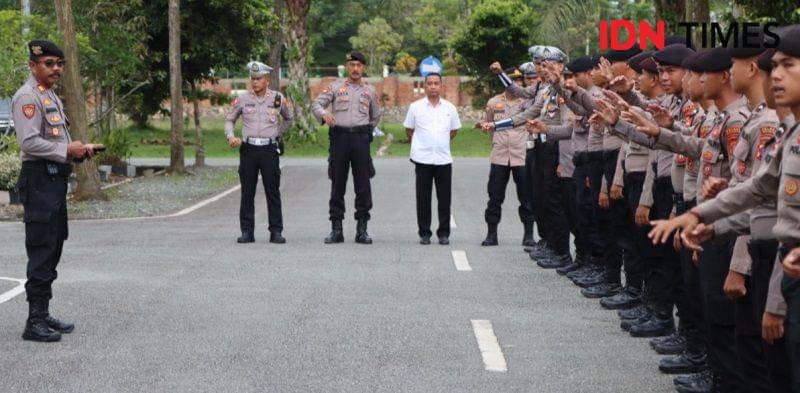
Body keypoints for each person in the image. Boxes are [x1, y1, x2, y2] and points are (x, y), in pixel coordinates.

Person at [13, 40, 100, 342]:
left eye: (60, 63)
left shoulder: (48, 95)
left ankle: (43, 311)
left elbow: (55, 141)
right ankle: (34, 321)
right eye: (49, 63)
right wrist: (66, 150)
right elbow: (29, 142)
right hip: (39, 180)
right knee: (41, 248)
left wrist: (79, 151)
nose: (56, 69)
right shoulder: (27, 97)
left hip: (54, 181)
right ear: (32, 65)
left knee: (54, 245)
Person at [311, 51, 381, 244]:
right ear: (347, 67)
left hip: (360, 139)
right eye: (352, 65)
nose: (355, 69)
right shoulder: (335, 87)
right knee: (337, 184)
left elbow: (375, 116)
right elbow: (316, 104)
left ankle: (362, 230)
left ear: (363, 67)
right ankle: (336, 229)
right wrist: (324, 114)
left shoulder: (370, 90)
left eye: (359, 65)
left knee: (363, 185)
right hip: (339, 138)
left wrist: (364, 130)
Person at [225, 61, 294, 244]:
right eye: (253, 78)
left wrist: (278, 134)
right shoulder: (243, 98)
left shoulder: (277, 98)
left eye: (258, 78)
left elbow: (289, 118)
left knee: (273, 191)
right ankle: (247, 231)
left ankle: (276, 231)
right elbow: (230, 119)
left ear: (267, 80)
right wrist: (230, 136)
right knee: (247, 192)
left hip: (269, 150)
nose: (255, 82)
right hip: (248, 149)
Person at [403, 72, 461, 245]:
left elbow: (454, 131)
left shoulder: (450, 108)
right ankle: (424, 233)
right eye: (430, 83)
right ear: (425, 86)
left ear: (441, 86)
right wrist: (421, 144)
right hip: (422, 159)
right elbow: (409, 129)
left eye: (436, 83)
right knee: (423, 198)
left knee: (444, 199)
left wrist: (440, 142)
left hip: (443, 159)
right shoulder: (415, 107)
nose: (433, 86)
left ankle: (443, 233)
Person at [480, 68, 535, 246]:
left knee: (526, 196)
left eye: (519, 80)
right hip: (500, 156)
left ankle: (528, 235)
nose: (516, 83)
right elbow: (489, 124)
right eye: (513, 80)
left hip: (521, 154)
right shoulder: (493, 102)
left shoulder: (528, 103)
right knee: (495, 197)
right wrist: (496, 140)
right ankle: (491, 234)